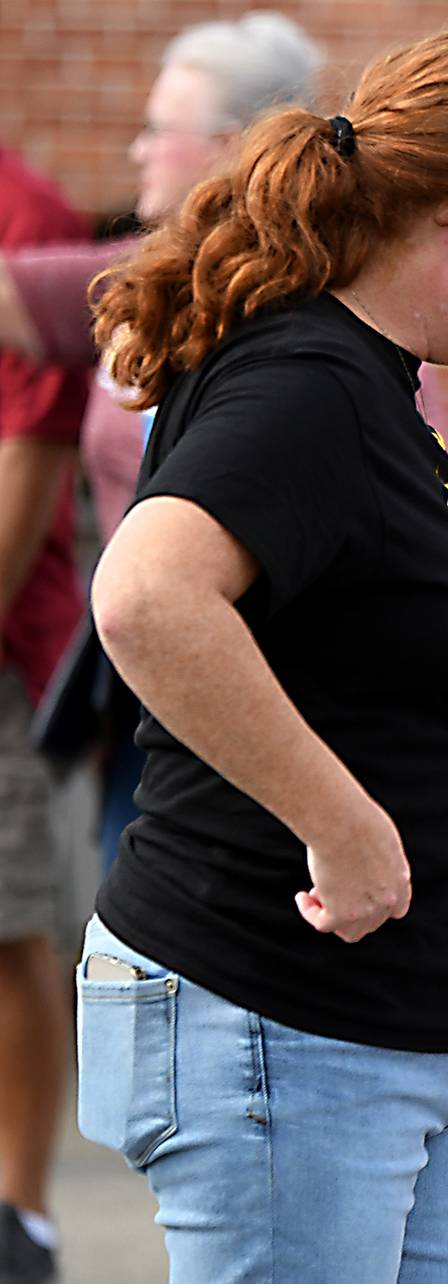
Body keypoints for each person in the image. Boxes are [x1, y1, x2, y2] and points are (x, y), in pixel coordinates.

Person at [78, 25, 448, 1283]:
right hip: (281, 1021)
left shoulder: (361, 377)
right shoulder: (314, 383)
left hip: (357, 1040)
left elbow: (327, 593)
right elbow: (150, 598)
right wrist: (343, 823)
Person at [0, 11, 324, 871]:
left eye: (157, 129)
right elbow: (18, 295)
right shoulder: (151, 278)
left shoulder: (331, 312)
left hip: (269, 695)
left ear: (229, 147)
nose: (138, 150)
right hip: (147, 694)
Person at [0, 148, 90, 1284]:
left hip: (4, 654)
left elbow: (33, 457)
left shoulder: (26, 219)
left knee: (6, 920)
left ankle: (19, 1214)